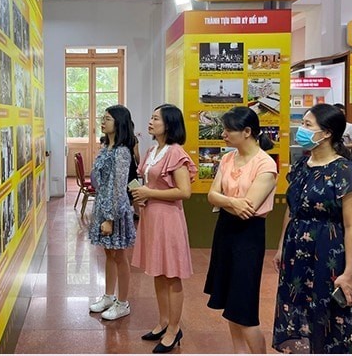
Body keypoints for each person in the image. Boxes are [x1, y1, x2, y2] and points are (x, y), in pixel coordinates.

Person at [272, 104, 352, 354]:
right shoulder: (302, 165)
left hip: (328, 253)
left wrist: (350, 273)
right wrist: (281, 247)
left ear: (326, 133)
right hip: (296, 250)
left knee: (327, 314)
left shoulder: (345, 170)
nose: (301, 130)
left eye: (307, 125)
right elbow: (291, 210)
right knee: (297, 306)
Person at [204, 107, 277, 354]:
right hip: (225, 230)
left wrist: (228, 201)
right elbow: (212, 195)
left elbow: (251, 207)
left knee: (244, 308)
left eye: (228, 130)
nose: (223, 134)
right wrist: (232, 202)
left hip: (249, 235)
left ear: (247, 132)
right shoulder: (227, 158)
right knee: (230, 304)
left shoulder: (266, 164)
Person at [130, 104, 197, 353]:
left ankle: (174, 329)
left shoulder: (175, 152)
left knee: (172, 275)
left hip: (168, 219)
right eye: (151, 117)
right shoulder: (152, 150)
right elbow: (147, 181)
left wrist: (149, 192)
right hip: (151, 217)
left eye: (155, 118)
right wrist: (141, 195)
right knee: (158, 272)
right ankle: (163, 322)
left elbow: (184, 192)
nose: (150, 121)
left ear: (168, 124)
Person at [88, 105, 137, 320]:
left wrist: (109, 218)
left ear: (118, 122)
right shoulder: (106, 147)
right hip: (102, 205)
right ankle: (108, 296)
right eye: (103, 118)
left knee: (119, 256)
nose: (103, 121)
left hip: (114, 209)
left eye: (107, 118)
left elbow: (118, 188)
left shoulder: (122, 152)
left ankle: (123, 302)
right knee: (108, 253)